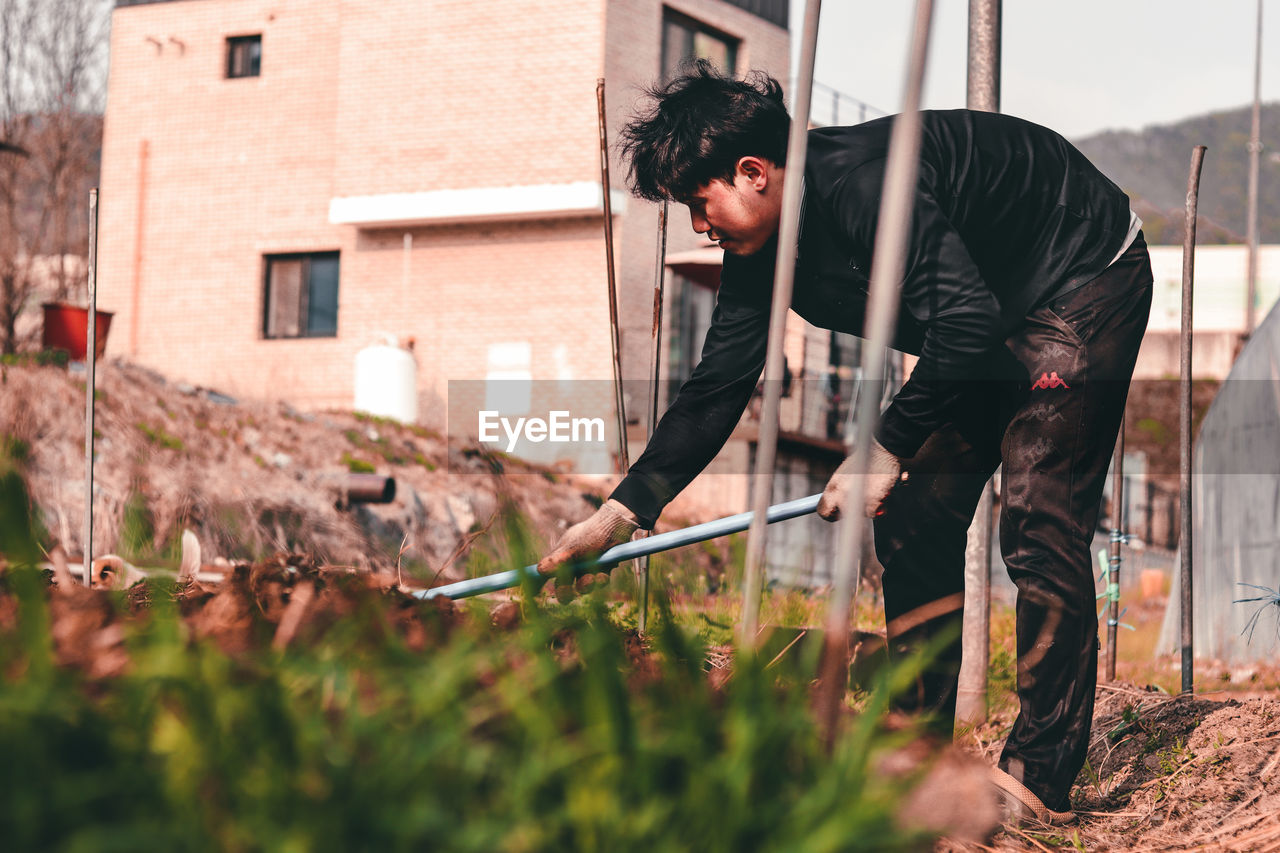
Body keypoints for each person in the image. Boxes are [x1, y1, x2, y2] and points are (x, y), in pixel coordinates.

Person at [536, 60, 1152, 827]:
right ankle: (919, 757)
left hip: (1079, 277)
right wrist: (625, 508)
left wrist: (882, 447)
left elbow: (962, 324)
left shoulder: (865, 188)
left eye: (701, 204)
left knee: (1038, 510)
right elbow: (721, 381)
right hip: (987, 318)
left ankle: (1039, 779)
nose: (701, 227)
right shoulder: (760, 252)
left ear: (753, 172)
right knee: (916, 515)